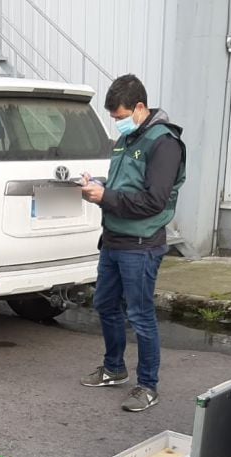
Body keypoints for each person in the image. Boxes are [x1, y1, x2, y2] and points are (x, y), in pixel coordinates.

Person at [80, 74, 186, 412]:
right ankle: (114, 368)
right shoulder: (127, 140)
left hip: (141, 244)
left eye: (121, 116)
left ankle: (148, 386)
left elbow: (153, 201)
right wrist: (98, 187)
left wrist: (105, 196)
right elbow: (125, 186)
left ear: (140, 107)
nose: (117, 123)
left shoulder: (164, 143)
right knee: (106, 305)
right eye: (114, 118)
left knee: (140, 315)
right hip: (113, 239)